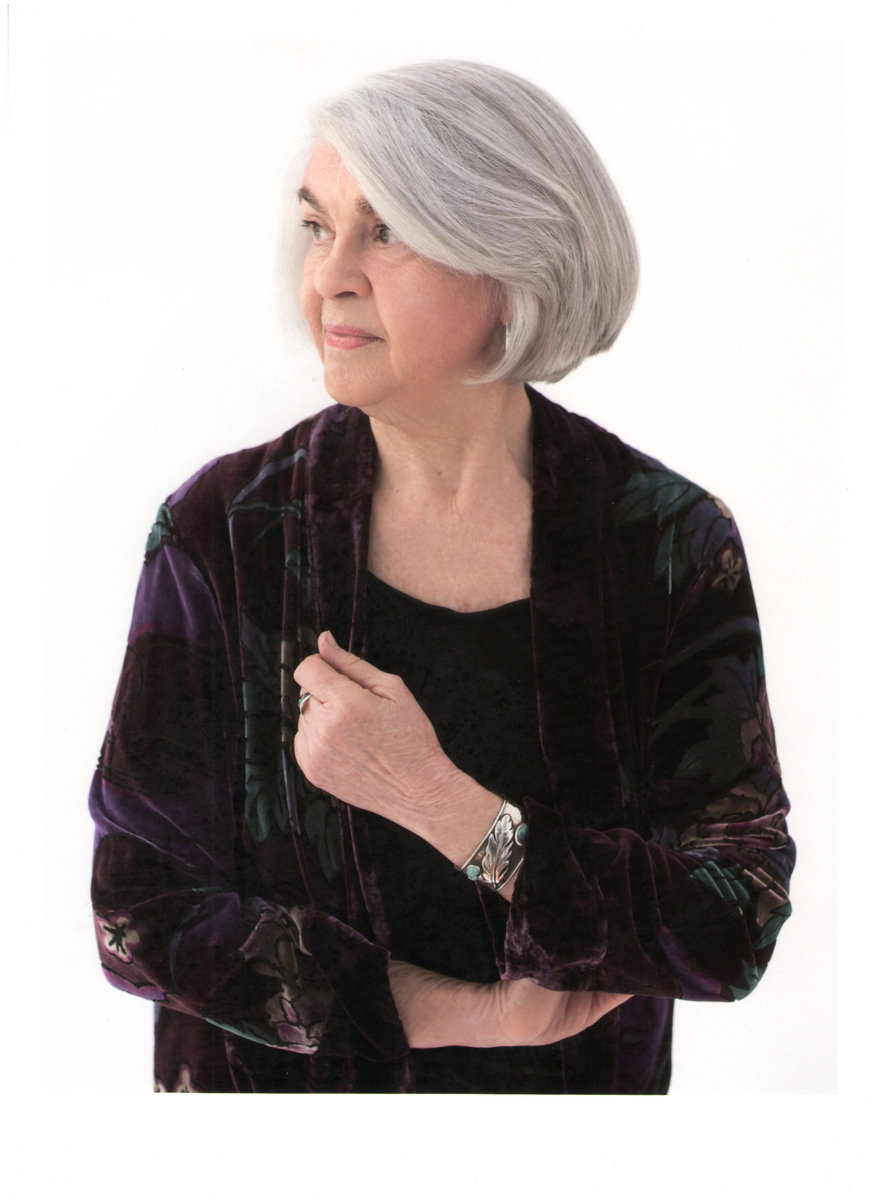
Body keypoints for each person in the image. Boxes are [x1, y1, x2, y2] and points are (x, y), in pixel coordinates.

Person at [89, 60, 794, 1093]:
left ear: (513, 264)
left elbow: (734, 919)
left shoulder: (666, 542)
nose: (330, 276)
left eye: (387, 231)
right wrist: (455, 1014)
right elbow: (138, 913)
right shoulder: (224, 531)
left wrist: (445, 803)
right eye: (318, 226)